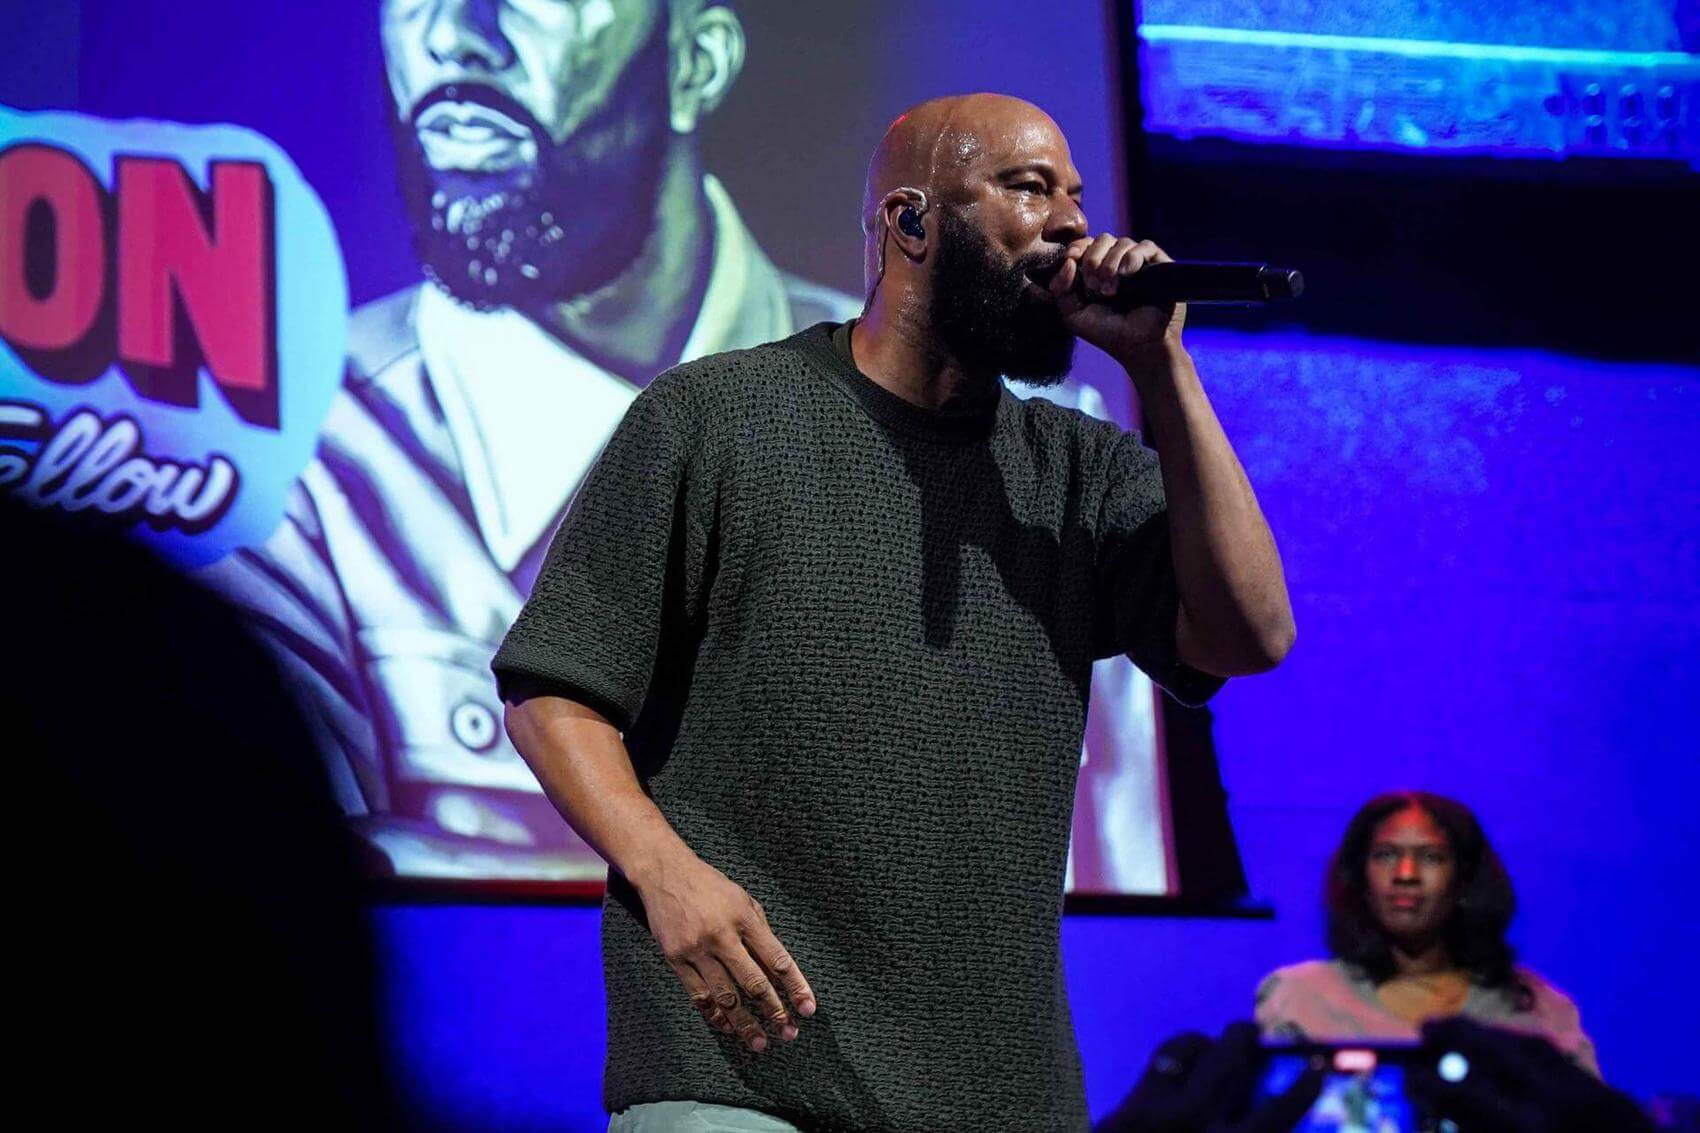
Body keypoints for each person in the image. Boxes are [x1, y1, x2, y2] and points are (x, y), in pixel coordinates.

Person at [206, 0, 1165, 888]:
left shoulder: (1039, 453)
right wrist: (688, 886)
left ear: (696, 62)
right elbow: (286, 895)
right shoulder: (295, 471)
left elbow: (1131, 845)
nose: (453, 37)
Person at [495, 92, 1295, 1131]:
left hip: (998, 1094)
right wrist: (667, 876)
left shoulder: (1076, 466)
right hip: (741, 1071)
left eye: (1073, 194)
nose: (1067, 224)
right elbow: (554, 689)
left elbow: (1248, 634)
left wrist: (1161, 365)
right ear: (908, 224)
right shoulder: (715, 416)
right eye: (1024, 188)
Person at [1255, 791, 1599, 1075]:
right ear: (1360, 877)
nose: (1406, 874)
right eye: (1386, 855)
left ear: (1464, 881)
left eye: (1431, 857)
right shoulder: (1299, 998)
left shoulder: (1542, 1011)